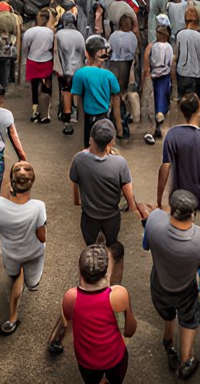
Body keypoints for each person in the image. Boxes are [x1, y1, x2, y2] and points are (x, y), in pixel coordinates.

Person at [141, 189, 200, 380]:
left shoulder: (154, 221)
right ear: (192, 214)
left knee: (167, 313)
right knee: (189, 320)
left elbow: (145, 245)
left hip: (159, 284)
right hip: (185, 290)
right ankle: (186, 361)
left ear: (171, 208)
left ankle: (168, 340)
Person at [49, 244, 137, 384]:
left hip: (86, 362)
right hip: (115, 358)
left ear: (79, 269)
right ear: (106, 270)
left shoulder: (71, 297)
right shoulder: (118, 295)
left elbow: (70, 318)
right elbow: (130, 330)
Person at [71, 120, 144, 286]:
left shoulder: (79, 160)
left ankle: (89, 284)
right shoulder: (120, 163)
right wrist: (135, 209)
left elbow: (75, 184)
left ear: (91, 140)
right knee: (112, 246)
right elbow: (128, 193)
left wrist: (78, 201)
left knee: (90, 248)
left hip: (89, 216)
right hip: (111, 216)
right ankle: (111, 286)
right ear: (111, 142)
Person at [0, 159, 47, 336]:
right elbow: (41, 236)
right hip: (34, 253)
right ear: (32, 180)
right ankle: (15, 311)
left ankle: (12, 317)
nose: (22, 168)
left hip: (11, 254)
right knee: (32, 283)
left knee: (14, 277)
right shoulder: (38, 207)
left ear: (12, 180)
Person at [158, 93, 200, 218]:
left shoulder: (172, 135)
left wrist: (159, 202)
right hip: (199, 198)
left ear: (181, 110)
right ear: (199, 108)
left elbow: (165, 168)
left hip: (177, 198)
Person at [72, 36, 123, 149]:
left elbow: (77, 101)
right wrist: (119, 126)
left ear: (86, 53)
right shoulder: (109, 76)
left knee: (89, 148)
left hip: (88, 118)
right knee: (104, 148)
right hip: (104, 117)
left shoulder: (80, 74)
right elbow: (116, 103)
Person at [55, 12, 88, 135]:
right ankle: (76, 115)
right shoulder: (79, 35)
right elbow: (84, 53)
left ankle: (67, 118)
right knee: (77, 92)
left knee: (65, 91)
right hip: (78, 68)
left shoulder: (59, 34)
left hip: (64, 68)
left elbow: (55, 52)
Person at [109, 13, 141, 138]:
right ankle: (122, 121)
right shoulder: (133, 37)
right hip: (128, 66)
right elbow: (134, 52)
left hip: (115, 65)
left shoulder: (114, 36)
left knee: (116, 95)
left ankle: (117, 121)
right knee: (123, 94)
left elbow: (109, 49)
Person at [23, 8, 56, 124]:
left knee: (34, 87)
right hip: (47, 60)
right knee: (47, 87)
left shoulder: (30, 31)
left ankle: (35, 110)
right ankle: (45, 112)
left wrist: (29, 55)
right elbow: (53, 48)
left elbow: (25, 47)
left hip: (32, 60)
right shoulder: (51, 33)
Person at [145, 15, 175, 145]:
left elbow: (150, 61)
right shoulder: (168, 47)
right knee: (163, 96)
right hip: (165, 73)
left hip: (155, 74)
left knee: (157, 96)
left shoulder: (154, 46)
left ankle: (157, 122)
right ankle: (160, 119)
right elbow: (170, 62)